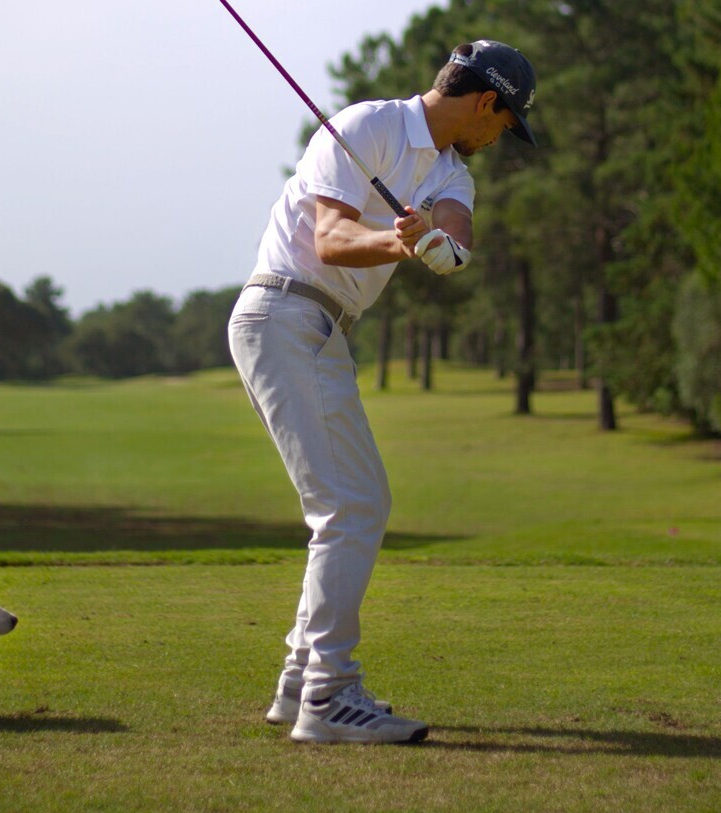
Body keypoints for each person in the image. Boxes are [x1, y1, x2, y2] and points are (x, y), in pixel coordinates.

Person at [228, 40, 536, 744]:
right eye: (506, 123)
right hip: (282, 310)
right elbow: (332, 240)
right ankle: (329, 696)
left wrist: (439, 243)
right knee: (351, 504)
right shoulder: (367, 127)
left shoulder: (455, 173)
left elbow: (456, 238)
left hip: (323, 328)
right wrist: (402, 243)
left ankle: (300, 681)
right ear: (486, 103)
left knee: (352, 504)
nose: (501, 139)